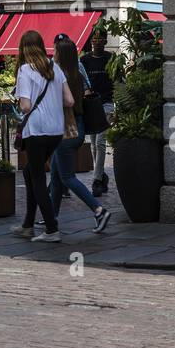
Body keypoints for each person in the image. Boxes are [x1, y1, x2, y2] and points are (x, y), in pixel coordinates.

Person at [12, 31, 73, 244]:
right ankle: (28, 225)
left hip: (36, 129)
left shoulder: (25, 70)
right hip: (56, 130)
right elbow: (70, 100)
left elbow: (26, 105)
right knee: (30, 172)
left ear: (23, 48)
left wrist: (21, 103)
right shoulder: (55, 67)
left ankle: (51, 228)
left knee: (37, 177)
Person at [50, 39, 111, 233]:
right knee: (56, 175)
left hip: (66, 130)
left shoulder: (59, 75)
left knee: (67, 177)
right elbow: (86, 94)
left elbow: (63, 102)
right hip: (79, 127)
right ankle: (51, 217)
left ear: (60, 54)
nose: (53, 53)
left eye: (55, 50)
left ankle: (98, 210)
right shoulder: (78, 72)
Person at [81, 29, 114, 197]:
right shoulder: (84, 60)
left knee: (101, 142)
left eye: (100, 38)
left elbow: (117, 81)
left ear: (106, 41)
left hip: (107, 103)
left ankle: (96, 180)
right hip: (91, 105)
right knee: (94, 144)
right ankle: (102, 175)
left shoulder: (111, 58)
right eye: (94, 38)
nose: (97, 41)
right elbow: (80, 81)